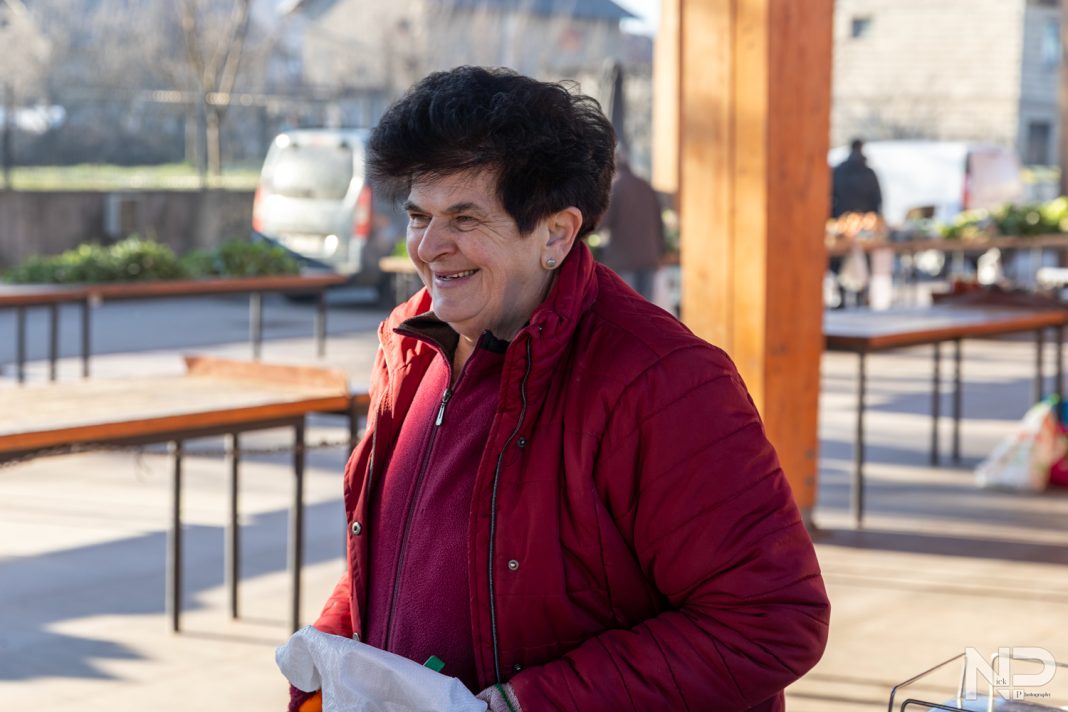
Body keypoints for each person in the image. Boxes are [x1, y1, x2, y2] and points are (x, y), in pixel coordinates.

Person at [286, 66, 830, 712]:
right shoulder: (410, 344)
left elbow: (773, 618)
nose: (429, 247)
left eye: (464, 218)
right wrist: (324, 665)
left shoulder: (662, 381)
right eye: (419, 216)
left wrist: (528, 704)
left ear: (556, 234)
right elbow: (389, 559)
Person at [597, 143, 666, 300]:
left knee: (626, 307)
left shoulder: (615, 187)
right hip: (649, 257)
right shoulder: (645, 185)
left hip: (624, 259)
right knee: (645, 307)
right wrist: (660, 253)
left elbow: (600, 223)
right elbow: (659, 222)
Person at [831, 138, 882, 218]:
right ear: (861, 148)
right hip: (865, 219)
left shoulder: (839, 171)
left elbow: (831, 194)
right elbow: (877, 198)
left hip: (842, 217)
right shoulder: (868, 173)